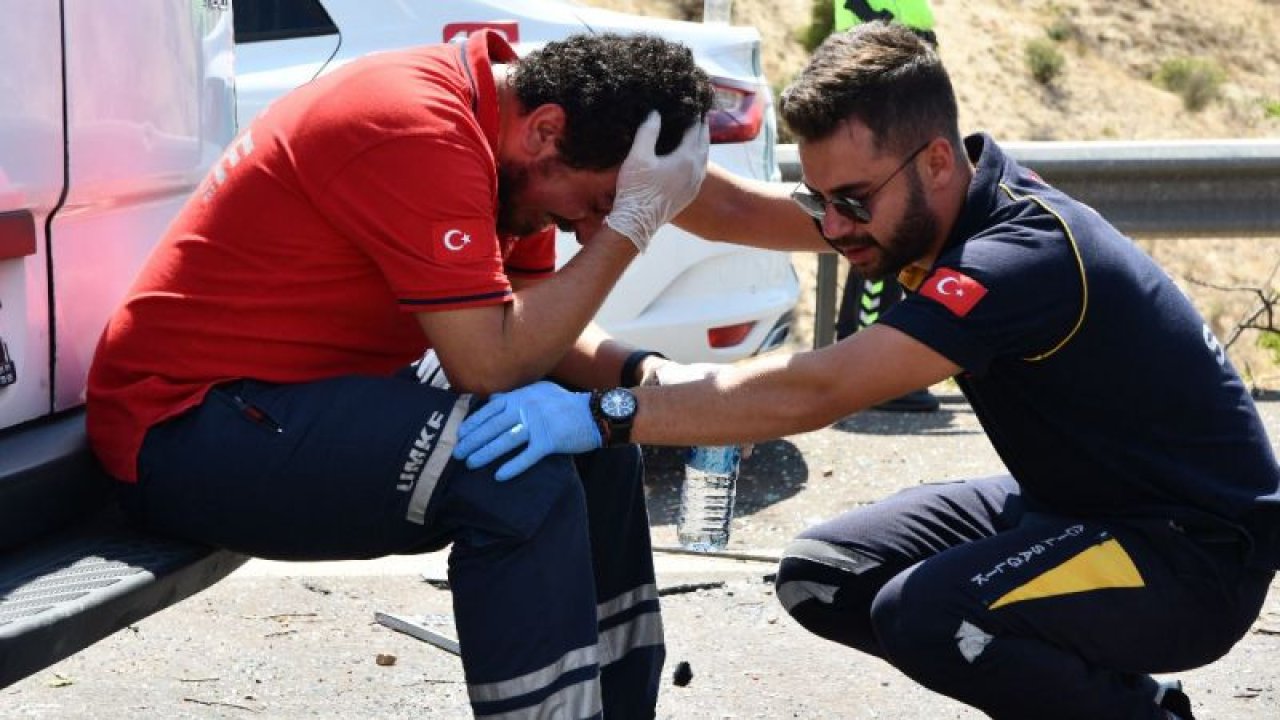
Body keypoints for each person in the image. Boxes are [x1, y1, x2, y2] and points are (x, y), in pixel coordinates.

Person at [450, 22, 1280, 720]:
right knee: (825, 577)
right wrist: (650, 176)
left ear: (936, 164)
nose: (836, 228)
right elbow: (743, 213)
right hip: (1073, 509)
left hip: (1189, 555)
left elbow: (821, 387)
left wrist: (606, 413)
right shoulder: (935, 212)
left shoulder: (1016, 258)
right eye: (822, 202)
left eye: (852, 200)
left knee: (929, 615)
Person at [86, 30, 711, 720]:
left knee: (592, 439)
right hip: (184, 430)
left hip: (285, 403)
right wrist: (632, 227)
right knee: (515, 475)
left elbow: (537, 337)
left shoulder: (512, 157)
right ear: (546, 129)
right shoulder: (413, 125)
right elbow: (490, 362)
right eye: (595, 205)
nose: (586, 231)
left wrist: (646, 375)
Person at [833, 0, 940, 412]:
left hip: (887, 106)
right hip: (883, 109)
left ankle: (866, 370)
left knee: (883, 244)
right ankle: (875, 379)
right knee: (882, 243)